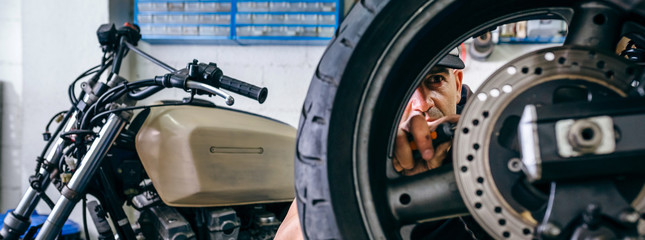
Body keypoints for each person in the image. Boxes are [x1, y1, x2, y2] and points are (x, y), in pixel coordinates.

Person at [275, 49, 472, 239]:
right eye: (400, 88)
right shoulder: (351, 154)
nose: (421, 104)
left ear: (456, 85)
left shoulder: (491, 146)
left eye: (435, 80)